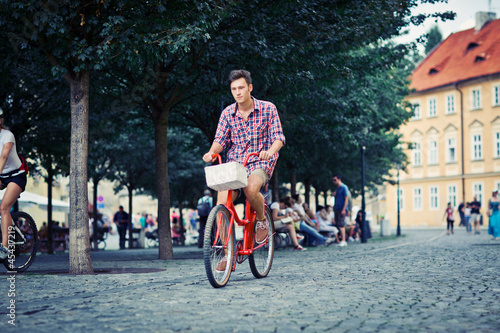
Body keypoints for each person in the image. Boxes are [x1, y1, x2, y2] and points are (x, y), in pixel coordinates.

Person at [202, 69, 285, 271]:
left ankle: (262, 220)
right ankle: (228, 253)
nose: (237, 92)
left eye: (241, 88)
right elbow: (220, 140)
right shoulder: (227, 113)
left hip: (260, 161)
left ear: (250, 88)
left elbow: (278, 138)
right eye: (233, 89)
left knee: (250, 188)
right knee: (221, 204)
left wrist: (269, 151)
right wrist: (212, 153)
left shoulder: (268, 108)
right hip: (236, 164)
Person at [0, 108, 28, 261]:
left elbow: (3, 156)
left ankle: (4, 247)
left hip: (16, 176)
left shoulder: (7, 135)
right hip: (1, 175)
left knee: (4, 207)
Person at [332, 175, 349, 247]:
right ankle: (341, 240)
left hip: (342, 209)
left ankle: (344, 241)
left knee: (341, 224)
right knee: (338, 224)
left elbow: (346, 199)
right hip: (337, 208)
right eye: (333, 180)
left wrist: (344, 209)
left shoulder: (344, 187)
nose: (333, 182)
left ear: (339, 179)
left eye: (335, 180)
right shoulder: (337, 188)